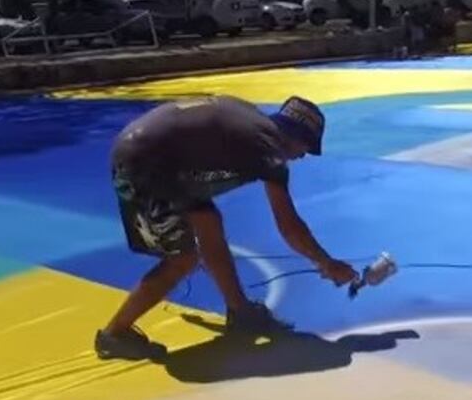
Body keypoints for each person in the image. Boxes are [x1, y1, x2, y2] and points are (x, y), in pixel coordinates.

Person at [95, 94, 359, 361]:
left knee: (208, 220)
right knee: (183, 259)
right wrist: (326, 263)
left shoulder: (255, 122)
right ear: (294, 136)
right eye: (306, 147)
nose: (302, 156)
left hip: (164, 159)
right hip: (146, 164)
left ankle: (240, 310)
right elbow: (288, 225)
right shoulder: (268, 150)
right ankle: (114, 335)